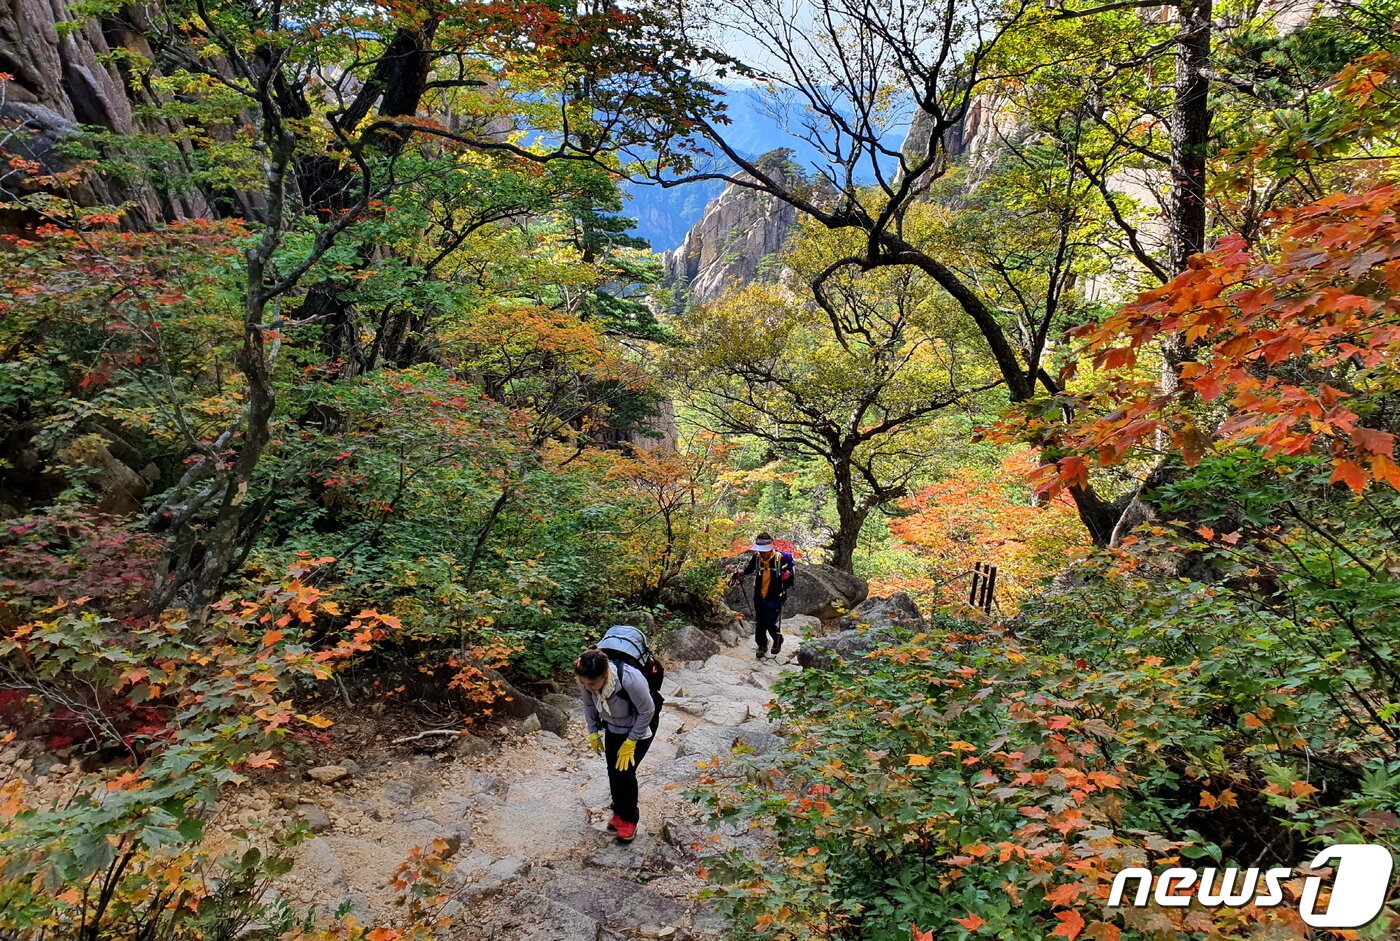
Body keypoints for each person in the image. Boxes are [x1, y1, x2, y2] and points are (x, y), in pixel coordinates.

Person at [575, 647, 660, 842]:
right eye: (583, 683)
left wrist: (632, 741)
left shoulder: (630, 679)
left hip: (640, 727)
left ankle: (630, 819)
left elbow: (648, 711)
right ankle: (619, 812)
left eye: (593, 683)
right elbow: (589, 705)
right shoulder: (586, 679)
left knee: (625, 772)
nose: (588, 687)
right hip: (613, 726)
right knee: (613, 770)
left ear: (605, 674)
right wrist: (593, 732)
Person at [730, 531, 795, 660]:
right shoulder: (757, 557)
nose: (762, 552)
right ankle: (762, 645)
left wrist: (787, 576)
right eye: (760, 550)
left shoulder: (780, 559)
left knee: (769, 621)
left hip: (775, 595)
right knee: (760, 622)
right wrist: (740, 573)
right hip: (759, 595)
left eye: (763, 550)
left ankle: (777, 639)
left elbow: (789, 579)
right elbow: (749, 569)